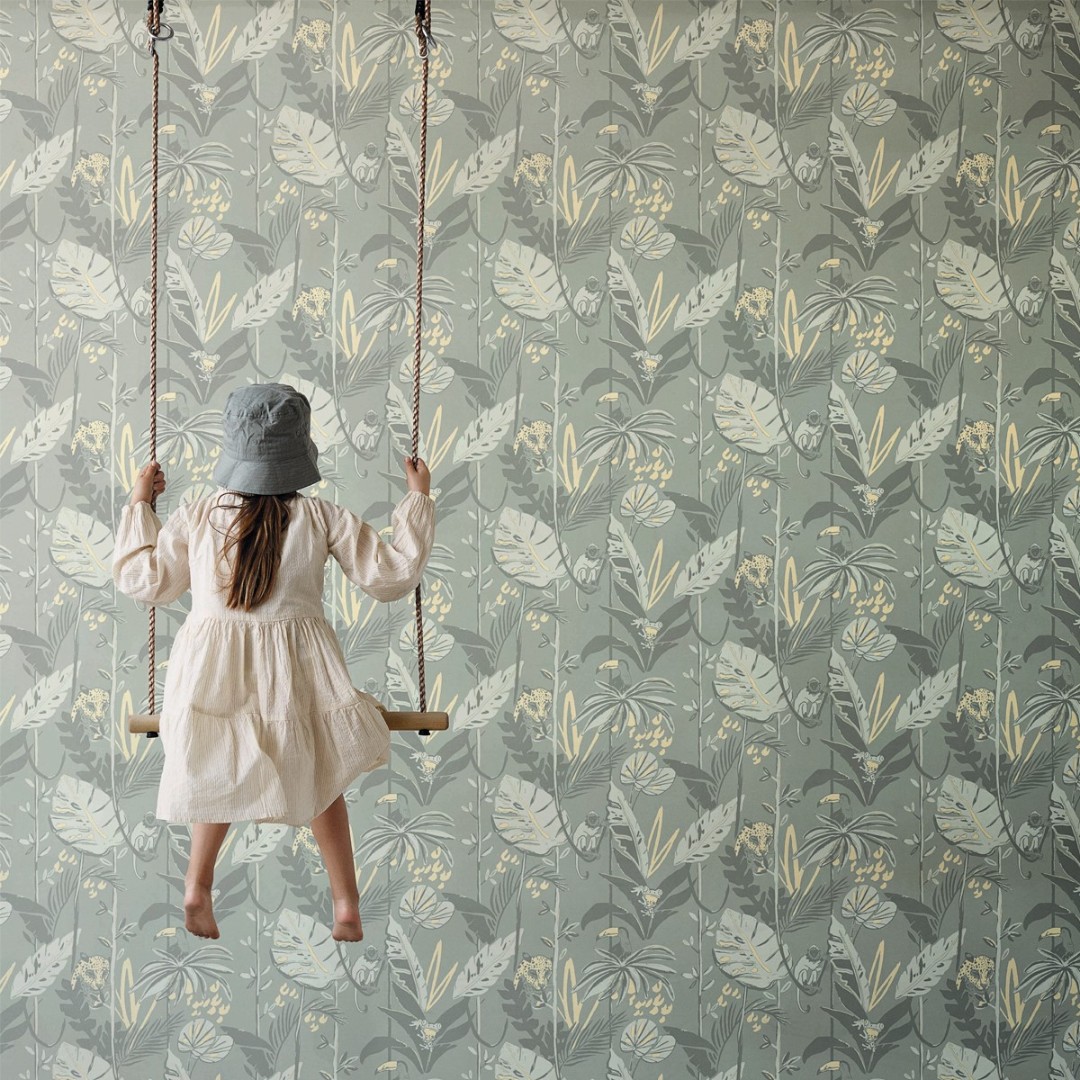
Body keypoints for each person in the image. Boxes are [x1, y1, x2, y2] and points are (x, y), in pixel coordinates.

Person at [112, 383, 435, 942]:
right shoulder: (320, 516)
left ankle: (197, 885)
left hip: (212, 672)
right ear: (299, 453)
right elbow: (390, 576)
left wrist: (141, 504)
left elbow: (146, 580)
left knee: (215, 768)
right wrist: (417, 499)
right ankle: (345, 903)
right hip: (299, 672)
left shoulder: (200, 515)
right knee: (323, 774)